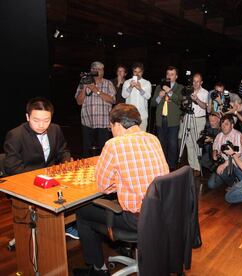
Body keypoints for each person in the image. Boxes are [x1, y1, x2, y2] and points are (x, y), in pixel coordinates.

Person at [73, 104, 169, 276]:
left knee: (81, 212)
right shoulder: (153, 139)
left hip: (136, 219)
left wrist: (119, 181)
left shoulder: (113, 145)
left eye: (111, 127)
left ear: (117, 124)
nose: (111, 131)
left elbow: (103, 186)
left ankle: (97, 268)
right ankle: (127, 250)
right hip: (162, 213)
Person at [4, 97, 77, 239]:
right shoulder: (16, 135)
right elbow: (12, 167)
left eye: (46, 120)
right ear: (27, 117)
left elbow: (63, 150)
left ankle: (64, 226)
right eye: (36, 120)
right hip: (26, 181)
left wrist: (66, 161)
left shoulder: (55, 129)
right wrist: (40, 179)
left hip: (50, 179)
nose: (41, 125)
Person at [75, 61, 116, 157]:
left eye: (99, 69)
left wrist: (96, 91)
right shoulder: (83, 82)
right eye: (94, 69)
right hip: (87, 122)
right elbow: (79, 102)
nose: (97, 71)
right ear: (91, 71)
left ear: (103, 71)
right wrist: (85, 88)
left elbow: (112, 100)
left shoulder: (108, 83)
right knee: (87, 151)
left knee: (104, 151)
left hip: (103, 123)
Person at [151, 66, 184, 170]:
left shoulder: (180, 88)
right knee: (162, 144)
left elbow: (180, 101)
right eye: (168, 74)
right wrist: (159, 97)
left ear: (176, 76)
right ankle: (162, 166)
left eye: (172, 74)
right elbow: (152, 103)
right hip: (161, 120)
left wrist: (169, 92)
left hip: (173, 121)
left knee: (173, 145)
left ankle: (172, 167)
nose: (169, 76)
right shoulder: (159, 87)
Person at [207, 114, 242, 190]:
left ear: (232, 125)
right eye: (222, 124)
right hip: (223, 161)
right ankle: (226, 178)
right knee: (211, 184)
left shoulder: (238, 135)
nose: (223, 126)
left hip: (235, 164)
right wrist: (215, 152)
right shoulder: (219, 135)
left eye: (226, 124)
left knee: (223, 171)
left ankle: (234, 182)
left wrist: (224, 165)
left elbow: (238, 154)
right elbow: (215, 146)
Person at [182, 73, 208, 175]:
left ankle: (197, 167)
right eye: (194, 81)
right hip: (188, 117)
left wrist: (196, 99)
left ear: (201, 82)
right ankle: (191, 166)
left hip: (199, 119)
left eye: (197, 81)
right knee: (188, 143)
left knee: (197, 143)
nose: (195, 83)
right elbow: (184, 105)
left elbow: (205, 107)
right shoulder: (188, 90)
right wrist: (185, 102)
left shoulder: (205, 92)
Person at [122, 62, 152, 131]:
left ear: (142, 72)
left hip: (142, 116)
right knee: (130, 137)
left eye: (139, 72)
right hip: (129, 116)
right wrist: (130, 86)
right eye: (135, 71)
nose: (137, 74)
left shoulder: (147, 83)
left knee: (141, 138)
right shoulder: (127, 82)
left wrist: (140, 88)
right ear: (132, 72)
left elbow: (148, 97)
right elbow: (124, 95)